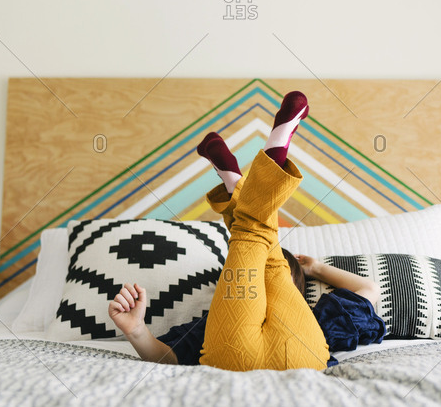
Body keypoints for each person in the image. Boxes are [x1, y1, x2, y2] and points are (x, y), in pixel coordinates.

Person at [108, 91, 386, 371]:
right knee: (263, 249)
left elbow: (170, 358)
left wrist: (312, 269)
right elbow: (369, 289)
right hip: (303, 358)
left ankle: (237, 184)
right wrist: (136, 331)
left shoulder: (219, 322)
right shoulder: (318, 319)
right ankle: (242, 184)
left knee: (254, 243)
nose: (260, 290)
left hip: (235, 354)